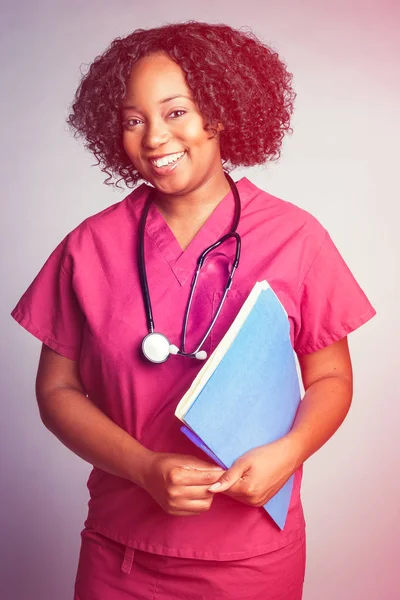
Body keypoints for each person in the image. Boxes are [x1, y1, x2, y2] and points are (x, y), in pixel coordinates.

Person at [11, 21, 375, 600]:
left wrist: (289, 452)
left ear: (221, 113)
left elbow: (331, 376)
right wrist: (143, 468)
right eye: (134, 120)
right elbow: (56, 392)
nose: (155, 137)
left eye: (176, 112)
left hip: (251, 554)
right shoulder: (89, 247)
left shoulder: (296, 238)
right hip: (121, 552)